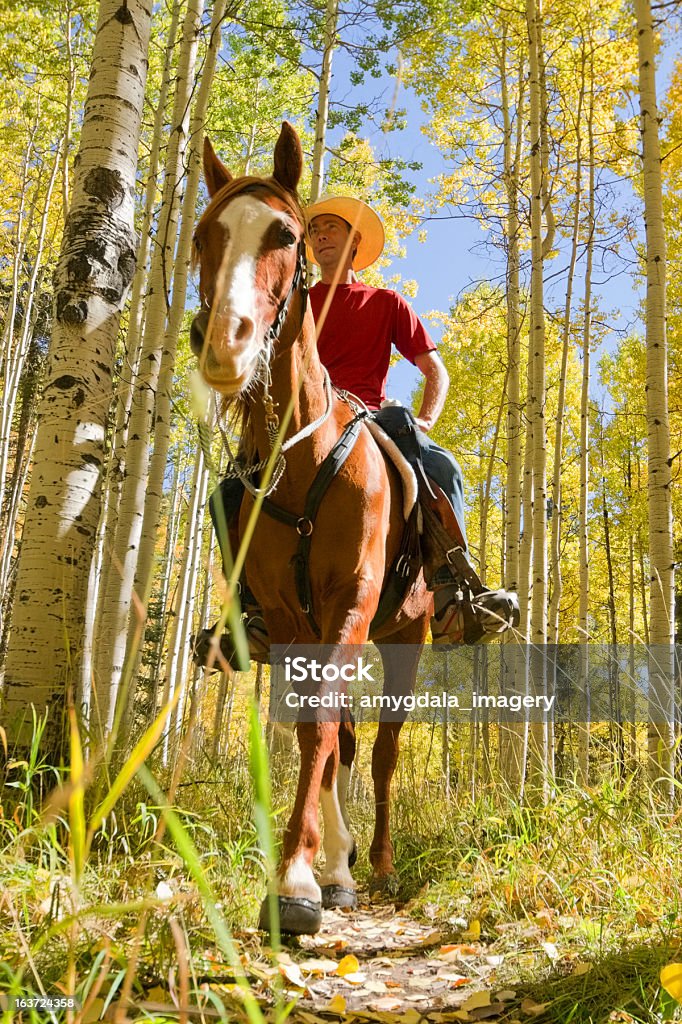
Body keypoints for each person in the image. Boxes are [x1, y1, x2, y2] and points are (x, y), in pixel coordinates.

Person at [194, 196, 518, 668]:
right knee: (227, 496)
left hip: (367, 414)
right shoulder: (293, 299)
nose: (323, 234)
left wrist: (426, 418)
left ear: (354, 243)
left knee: (441, 465)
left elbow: (435, 370)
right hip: (296, 423)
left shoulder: (385, 302)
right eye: (317, 229)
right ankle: (251, 612)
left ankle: (452, 588)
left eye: (333, 228)